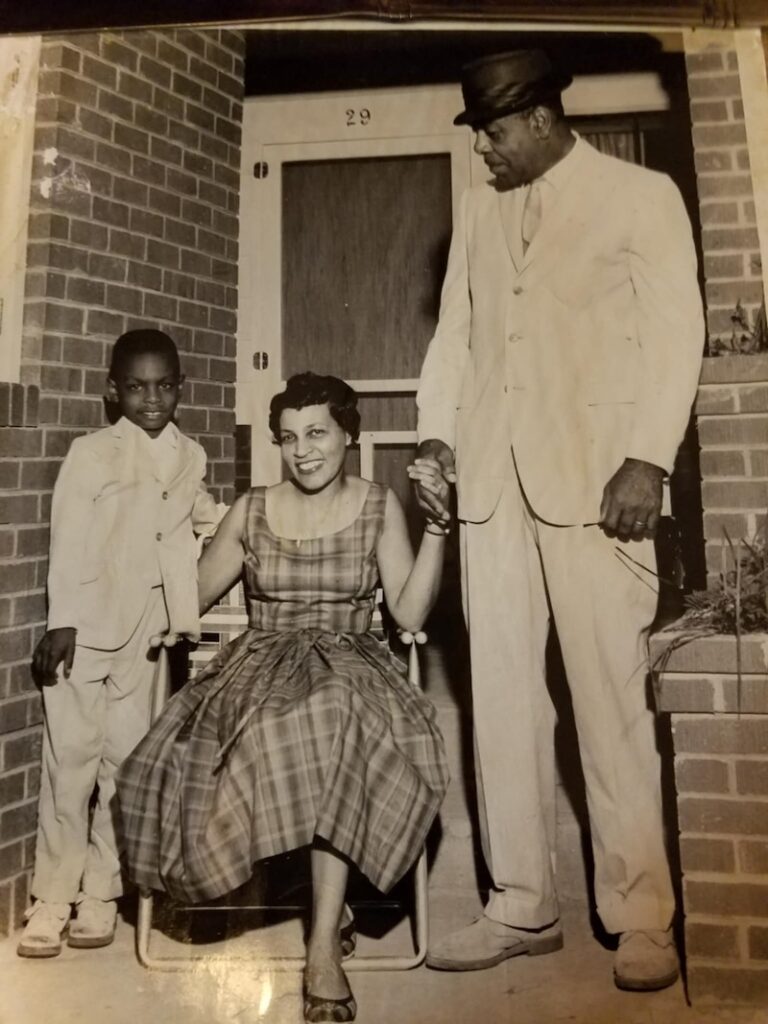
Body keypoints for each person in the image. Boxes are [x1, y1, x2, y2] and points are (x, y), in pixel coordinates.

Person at [414, 49, 705, 991]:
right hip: (492, 491)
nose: (484, 151)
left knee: (611, 700)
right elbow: (457, 337)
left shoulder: (640, 197)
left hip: (600, 488)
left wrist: (649, 457)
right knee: (500, 700)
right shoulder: (479, 211)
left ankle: (642, 916)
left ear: (541, 120)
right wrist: (437, 440)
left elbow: (677, 335)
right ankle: (520, 903)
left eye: (494, 133)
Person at [117, 372, 451, 1024]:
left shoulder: (379, 505)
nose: (303, 451)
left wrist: (438, 528)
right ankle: (319, 894)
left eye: (317, 433)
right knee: (279, 725)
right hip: (261, 665)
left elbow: (410, 612)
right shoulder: (252, 510)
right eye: (289, 438)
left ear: (348, 435)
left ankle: (321, 943)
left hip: (353, 664)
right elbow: (187, 598)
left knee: (335, 710)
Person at [18, 329, 222, 959]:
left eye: (164, 386)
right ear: (114, 391)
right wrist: (63, 620)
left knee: (125, 766)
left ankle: (101, 893)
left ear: (181, 389)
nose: (151, 398)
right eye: (136, 386)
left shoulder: (191, 455)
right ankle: (52, 897)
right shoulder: (91, 454)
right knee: (71, 763)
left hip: (150, 637)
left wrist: (249, 524)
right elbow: (69, 536)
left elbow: (199, 516)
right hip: (84, 633)